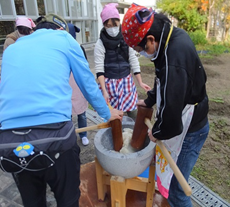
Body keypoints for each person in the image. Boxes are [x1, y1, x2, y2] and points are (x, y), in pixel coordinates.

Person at [0, 13, 123, 207]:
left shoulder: (11, 50)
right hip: (55, 137)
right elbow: (87, 84)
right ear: (60, 29)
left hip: (11, 143)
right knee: (68, 200)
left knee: (32, 203)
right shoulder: (64, 38)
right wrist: (108, 113)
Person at [122, 4, 209, 207]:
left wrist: (158, 131)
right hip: (185, 115)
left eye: (140, 49)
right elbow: (164, 80)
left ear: (151, 40)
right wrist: (151, 99)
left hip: (191, 128)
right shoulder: (168, 38)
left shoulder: (174, 57)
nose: (142, 53)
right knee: (171, 182)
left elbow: (171, 116)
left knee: (178, 189)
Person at [94, 3, 151, 121]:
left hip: (126, 81)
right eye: (108, 25)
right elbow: (99, 69)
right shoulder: (100, 43)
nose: (112, 29)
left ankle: (134, 134)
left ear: (119, 22)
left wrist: (140, 82)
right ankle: (114, 135)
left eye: (114, 24)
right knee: (113, 117)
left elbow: (133, 60)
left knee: (133, 111)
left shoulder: (126, 38)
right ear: (104, 25)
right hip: (109, 84)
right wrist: (104, 91)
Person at [68, 23, 89, 146]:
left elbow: (85, 66)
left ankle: (83, 135)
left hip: (78, 83)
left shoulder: (79, 48)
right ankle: (70, 135)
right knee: (67, 114)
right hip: (66, 83)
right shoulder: (60, 48)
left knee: (82, 113)